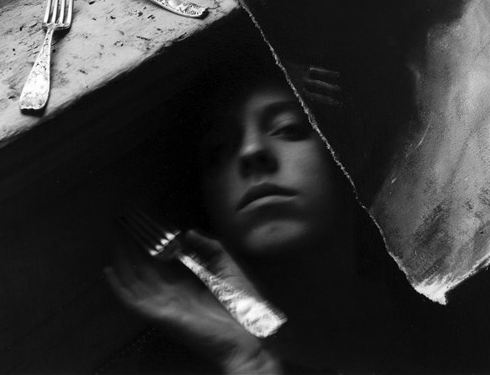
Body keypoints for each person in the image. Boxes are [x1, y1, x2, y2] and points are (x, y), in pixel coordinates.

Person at [104, 50, 428, 374]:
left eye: (288, 128)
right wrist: (249, 360)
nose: (251, 151)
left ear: (343, 156)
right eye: (220, 149)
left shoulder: (427, 315)